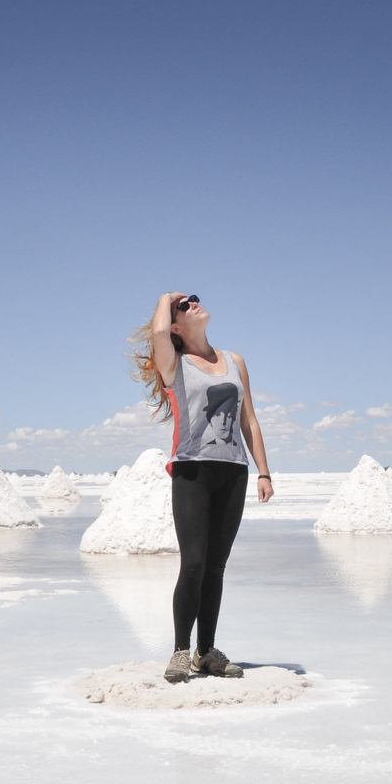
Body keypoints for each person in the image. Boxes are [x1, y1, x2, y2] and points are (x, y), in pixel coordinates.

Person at [130, 291, 274, 683]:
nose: (193, 302)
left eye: (194, 299)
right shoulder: (173, 363)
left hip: (233, 471)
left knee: (216, 567)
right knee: (193, 563)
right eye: (185, 305)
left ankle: (206, 652)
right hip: (191, 470)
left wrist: (263, 472)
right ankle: (180, 651)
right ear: (176, 326)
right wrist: (166, 298)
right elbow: (159, 332)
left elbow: (249, 420)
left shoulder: (235, 361)